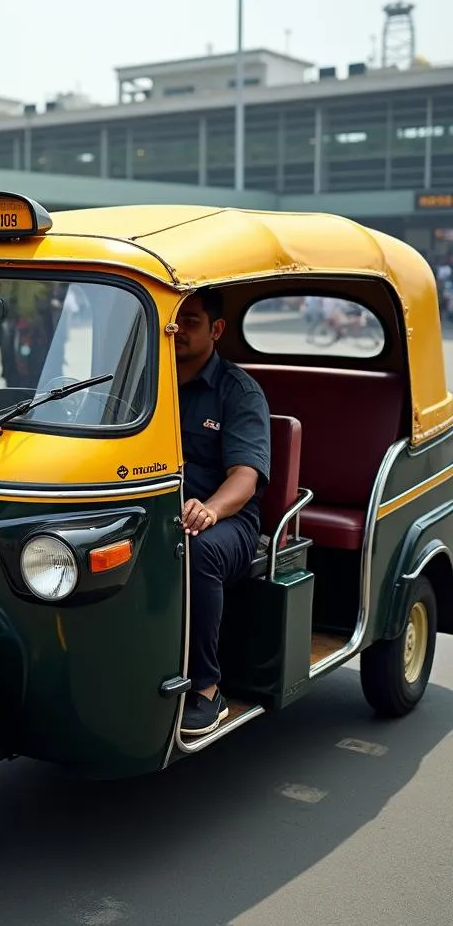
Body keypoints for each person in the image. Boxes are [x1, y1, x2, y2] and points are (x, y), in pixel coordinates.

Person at [174, 287, 271, 736]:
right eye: (173, 321)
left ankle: (207, 690)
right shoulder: (142, 381)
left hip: (229, 521)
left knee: (197, 552)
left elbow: (245, 478)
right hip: (157, 511)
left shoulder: (239, 392)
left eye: (191, 322)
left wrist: (211, 510)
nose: (178, 331)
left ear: (216, 329)